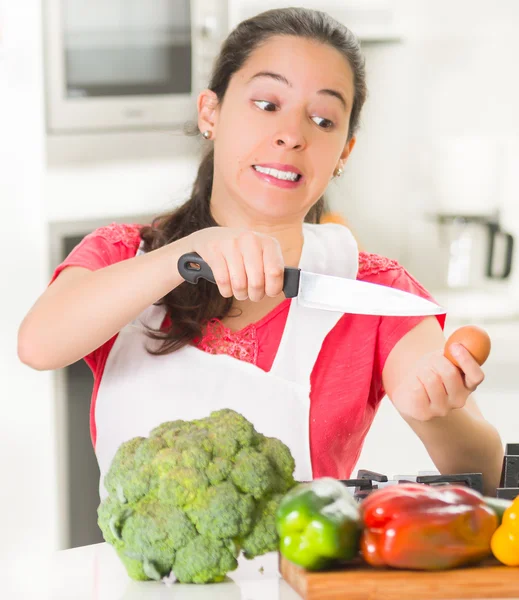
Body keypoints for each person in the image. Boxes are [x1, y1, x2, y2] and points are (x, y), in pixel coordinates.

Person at [18, 7, 503, 497]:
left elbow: (486, 470)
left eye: (323, 119)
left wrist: (440, 412)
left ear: (344, 154)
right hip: (131, 578)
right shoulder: (125, 257)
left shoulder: (370, 293)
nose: (292, 135)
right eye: (268, 104)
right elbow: (38, 345)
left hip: (302, 575)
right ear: (211, 112)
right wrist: (184, 256)